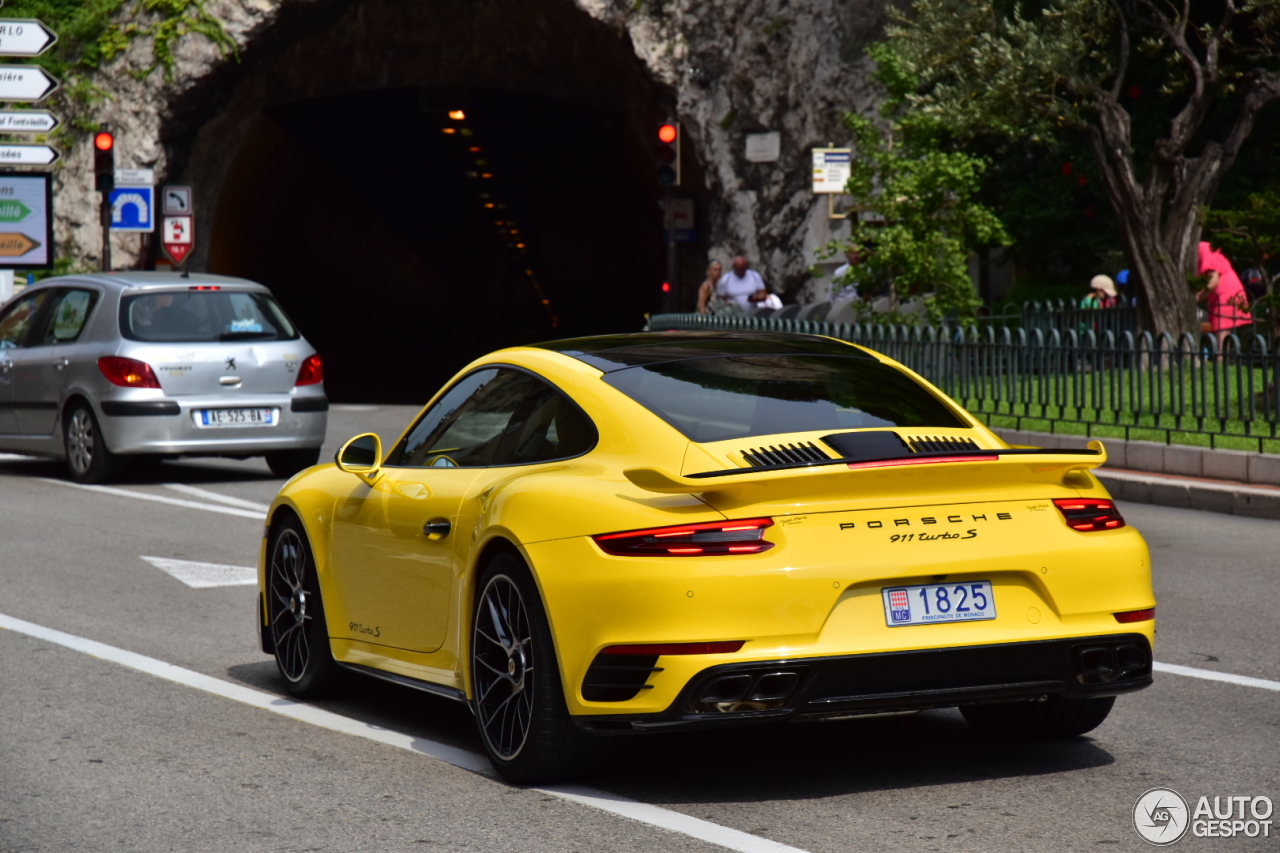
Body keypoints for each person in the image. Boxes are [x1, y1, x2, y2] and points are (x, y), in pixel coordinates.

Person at [1197, 241, 1251, 349]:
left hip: (1226, 293)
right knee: (1219, 330)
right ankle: (1220, 360)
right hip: (1217, 296)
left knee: (1221, 330)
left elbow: (1214, 280)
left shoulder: (1204, 249)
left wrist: (1197, 296)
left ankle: (1221, 362)